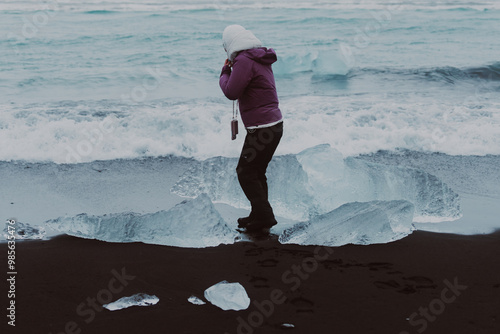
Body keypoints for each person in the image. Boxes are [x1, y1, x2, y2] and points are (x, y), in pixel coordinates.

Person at [219, 24, 283, 233]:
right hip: (273, 125)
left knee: (245, 172)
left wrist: (224, 73)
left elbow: (231, 91)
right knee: (257, 171)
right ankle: (258, 214)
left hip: (262, 128)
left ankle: (265, 215)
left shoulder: (245, 61)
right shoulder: (258, 57)